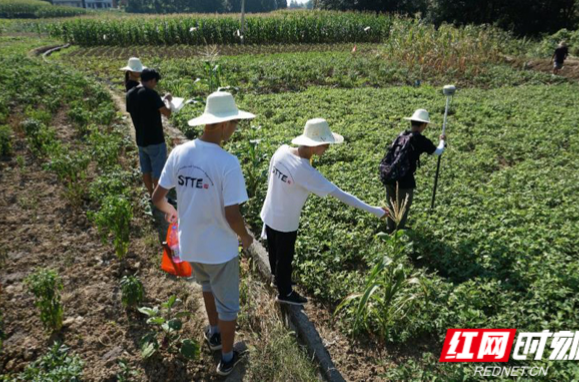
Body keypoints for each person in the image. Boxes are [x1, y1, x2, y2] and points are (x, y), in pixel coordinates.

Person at [152, 90, 255, 377]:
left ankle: (213, 333)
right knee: (229, 307)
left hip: (191, 246)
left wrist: (172, 213)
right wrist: (246, 239)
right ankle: (226, 357)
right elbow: (232, 215)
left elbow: (158, 197)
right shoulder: (227, 163)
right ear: (223, 125)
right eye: (234, 123)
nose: (235, 128)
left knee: (206, 287)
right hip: (219, 250)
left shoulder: (181, 151)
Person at [260, 118, 390, 306]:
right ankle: (285, 293)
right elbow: (342, 195)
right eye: (326, 145)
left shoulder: (281, 151)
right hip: (286, 222)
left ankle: (277, 279)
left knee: (274, 252)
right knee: (285, 257)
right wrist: (375, 211)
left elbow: (270, 177)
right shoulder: (306, 172)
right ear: (316, 145)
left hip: (269, 213)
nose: (327, 149)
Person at [383, 109, 446, 232]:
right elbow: (438, 152)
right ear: (424, 125)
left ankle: (389, 228)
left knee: (391, 205)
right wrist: (442, 140)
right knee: (403, 207)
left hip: (390, 176)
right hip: (405, 181)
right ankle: (398, 232)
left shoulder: (401, 135)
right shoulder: (420, 140)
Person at [126, 68, 172, 198]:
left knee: (146, 169)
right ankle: (160, 199)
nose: (155, 85)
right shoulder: (151, 94)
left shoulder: (130, 93)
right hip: (155, 139)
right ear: (152, 80)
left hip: (141, 139)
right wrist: (167, 100)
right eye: (155, 82)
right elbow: (167, 112)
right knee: (158, 171)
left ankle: (151, 194)